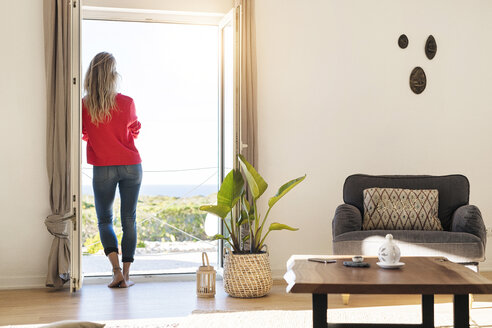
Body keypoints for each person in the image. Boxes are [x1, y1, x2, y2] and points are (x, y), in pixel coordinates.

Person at [82, 52, 142, 288]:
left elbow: (85, 133)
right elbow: (135, 130)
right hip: (131, 165)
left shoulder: (85, 105)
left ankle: (115, 271)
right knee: (129, 219)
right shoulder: (126, 102)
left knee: (105, 219)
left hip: (103, 168)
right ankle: (127, 276)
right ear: (112, 75)